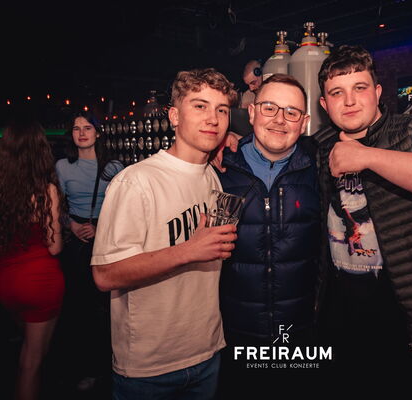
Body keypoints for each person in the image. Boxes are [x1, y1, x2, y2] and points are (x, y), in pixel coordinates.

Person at [313, 45, 412, 398]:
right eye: (337, 93)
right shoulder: (319, 145)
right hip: (343, 309)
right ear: (324, 104)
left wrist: (369, 157)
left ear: (377, 92)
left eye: (359, 88)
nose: (349, 101)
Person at [91, 68, 238, 399]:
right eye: (199, 106)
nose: (212, 118)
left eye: (222, 110)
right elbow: (104, 275)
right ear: (174, 116)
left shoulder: (212, 178)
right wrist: (188, 250)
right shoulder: (136, 182)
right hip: (149, 367)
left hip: (208, 350)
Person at [216, 74, 320, 398]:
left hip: (300, 331)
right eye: (269, 107)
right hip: (233, 332)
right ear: (251, 112)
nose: (279, 119)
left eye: (291, 112)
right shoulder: (219, 168)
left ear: (304, 122)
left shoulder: (320, 167)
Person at [0, 119, 64, 400]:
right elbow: (55, 248)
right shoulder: (45, 191)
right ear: (40, 150)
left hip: (6, 282)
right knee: (32, 362)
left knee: (28, 353)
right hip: (40, 282)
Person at [55, 111, 123, 391]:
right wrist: (71, 225)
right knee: (79, 306)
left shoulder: (113, 167)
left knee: (106, 307)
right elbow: (56, 206)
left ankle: (112, 365)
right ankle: (88, 367)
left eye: (87, 127)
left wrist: (101, 228)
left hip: (104, 237)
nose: (82, 133)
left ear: (98, 133)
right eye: (76, 128)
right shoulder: (62, 166)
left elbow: (122, 208)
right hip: (76, 240)